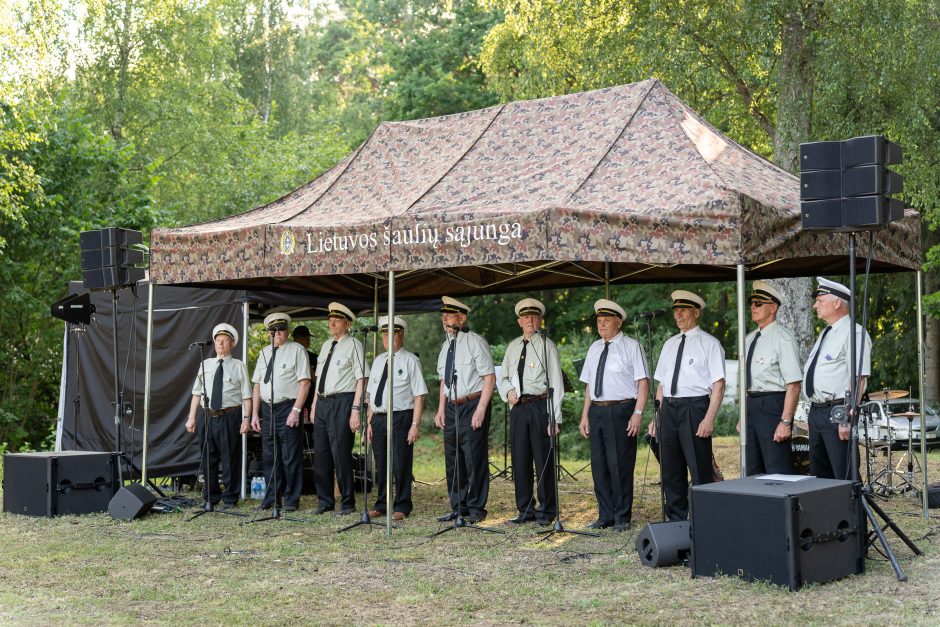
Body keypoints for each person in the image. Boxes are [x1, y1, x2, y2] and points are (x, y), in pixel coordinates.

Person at [651, 290, 725, 521]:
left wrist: (709, 418)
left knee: (699, 467)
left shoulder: (709, 344)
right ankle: (677, 520)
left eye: (683, 309)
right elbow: (662, 383)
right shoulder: (670, 344)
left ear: (696, 312)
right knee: (671, 470)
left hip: (695, 408)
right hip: (669, 409)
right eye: (675, 310)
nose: (678, 314)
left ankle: (706, 519)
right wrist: (656, 417)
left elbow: (719, 384)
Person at [578, 299, 649, 531]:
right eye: (599, 321)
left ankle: (622, 516)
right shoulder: (595, 347)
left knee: (619, 464)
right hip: (597, 410)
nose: (601, 325)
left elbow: (643, 383)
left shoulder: (631, 346)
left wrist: (638, 413)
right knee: (599, 466)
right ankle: (605, 514)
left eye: (606, 321)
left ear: (618, 322)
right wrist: (585, 414)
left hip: (621, 410)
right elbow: (589, 384)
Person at [497, 298, 564, 526]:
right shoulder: (513, 346)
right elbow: (503, 376)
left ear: (540, 320)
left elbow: (556, 382)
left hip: (539, 405)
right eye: (525, 318)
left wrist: (555, 417)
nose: (530, 321)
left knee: (542, 458)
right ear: (519, 321)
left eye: (534, 317)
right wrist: (507, 392)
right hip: (518, 407)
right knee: (520, 459)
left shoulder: (547, 345)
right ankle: (525, 509)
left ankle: (547, 511)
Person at [434, 296, 496, 524]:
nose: (445, 321)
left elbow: (489, 377)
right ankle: (458, 507)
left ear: (462, 317)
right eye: (443, 317)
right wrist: (441, 408)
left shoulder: (475, 342)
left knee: (473, 458)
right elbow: (443, 380)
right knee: (454, 458)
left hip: (472, 402)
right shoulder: (446, 346)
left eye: (449, 316)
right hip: (452, 406)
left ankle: (476, 508)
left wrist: (481, 409)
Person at [803, 277, 871, 480]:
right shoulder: (826, 333)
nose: (815, 305)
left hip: (837, 413)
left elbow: (858, 379)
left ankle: (852, 513)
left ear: (837, 303)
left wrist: (848, 417)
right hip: (817, 412)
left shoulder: (854, 333)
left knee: (844, 476)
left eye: (820, 300)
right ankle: (825, 513)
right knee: (820, 476)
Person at [366, 315, 427, 521]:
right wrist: (369, 422)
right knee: (381, 464)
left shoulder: (410, 360)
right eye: (384, 333)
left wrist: (415, 424)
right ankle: (382, 504)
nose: (387, 337)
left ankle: (402, 505)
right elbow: (371, 395)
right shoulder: (377, 361)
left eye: (393, 333)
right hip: (379, 417)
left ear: (401, 335)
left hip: (401, 417)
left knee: (400, 463)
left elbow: (419, 394)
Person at [739, 280, 802, 475]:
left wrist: (785, 422)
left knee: (777, 467)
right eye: (751, 303)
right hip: (752, 405)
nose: (752, 307)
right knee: (751, 466)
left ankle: (781, 506)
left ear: (773, 307)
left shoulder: (783, 338)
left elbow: (793, 385)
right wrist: (743, 414)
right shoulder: (749, 339)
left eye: (758, 304)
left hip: (772, 404)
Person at [186, 323, 252, 508]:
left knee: (230, 458)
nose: (220, 344)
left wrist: (246, 419)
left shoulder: (239, 366)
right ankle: (210, 497)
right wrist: (191, 417)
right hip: (207, 415)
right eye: (217, 340)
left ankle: (230, 498)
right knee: (208, 457)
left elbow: (247, 396)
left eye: (224, 341)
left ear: (232, 344)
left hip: (229, 416)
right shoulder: (205, 364)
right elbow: (196, 393)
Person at [250, 313, 311, 512]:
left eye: (282, 329)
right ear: (269, 332)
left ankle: (292, 500)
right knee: (269, 456)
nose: (278, 333)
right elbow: (257, 386)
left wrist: (296, 410)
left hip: (288, 407)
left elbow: (305, 383)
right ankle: (271, 498)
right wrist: (254, 414)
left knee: (290, 456)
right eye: (274, 330)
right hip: (268, 409)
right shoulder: (265, 352)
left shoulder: (297, 350)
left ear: (288, 331)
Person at [311, 302, 368, 515]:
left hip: (342, 401)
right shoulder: (326, 345)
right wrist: (315, 403)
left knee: (340, 453)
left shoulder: (354, 344)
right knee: (321, 453)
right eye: (330, 320)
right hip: (323, 401)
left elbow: (361, 378)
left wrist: (355, 409)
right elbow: (319, 379)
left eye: (336, 321)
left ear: (347, 323)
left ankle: (347, 502)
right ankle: (325, 501)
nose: (331, 323)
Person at [291, 325, 319, 421]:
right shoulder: (288, 356)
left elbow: (318, 379)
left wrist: (307, 368)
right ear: (297, 339)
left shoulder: (314, 358)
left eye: (309, 338)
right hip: (292, 399)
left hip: (310, 399)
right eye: (306, 338)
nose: (308, 340)